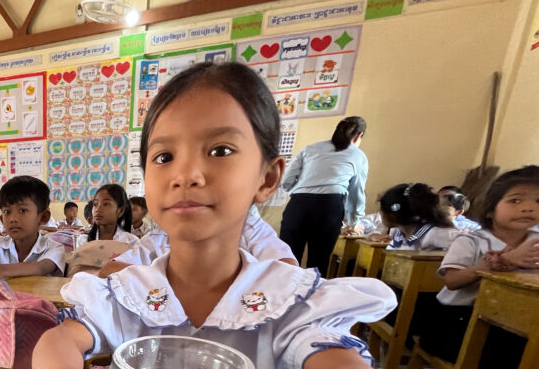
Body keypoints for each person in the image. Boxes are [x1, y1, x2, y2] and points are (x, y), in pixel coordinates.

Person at [32, 62, 395, 369]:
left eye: (220, 150)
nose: (186, 174)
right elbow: (58, 342)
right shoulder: (131, 290)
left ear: (268, 178)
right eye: (164, 157)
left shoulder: (279, 297)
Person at [420, 165, 539, 369]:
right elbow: (452, 281)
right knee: (494, 361)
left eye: (538, 201)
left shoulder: (536, 243)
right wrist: (498, 263)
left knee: (524, 359)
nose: (528, 207)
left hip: (515, 330)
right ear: (491, 208)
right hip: (455, 322)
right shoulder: (472, 241)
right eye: (515, 200)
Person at [279, 116, 368, 274]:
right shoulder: (358, 156)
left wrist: (299, 190)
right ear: (359, 136)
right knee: (318, 263)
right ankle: (312, 290)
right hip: (329, 207)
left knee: (287, 261)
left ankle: (282, 289)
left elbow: (286, 180)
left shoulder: (310, 149)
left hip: (298, 205)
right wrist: (354, 222)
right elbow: (356, 193)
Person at [100, 205, 297, 276]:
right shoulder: (160, 236)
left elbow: (287, 269)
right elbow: (109, 269)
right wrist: (169, 280)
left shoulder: (248, 228)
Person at [377, 183, 457, 251]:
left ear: (393, 213)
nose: (381, 213)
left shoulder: (435, 234)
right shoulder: (399, 235)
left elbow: (461, 242)